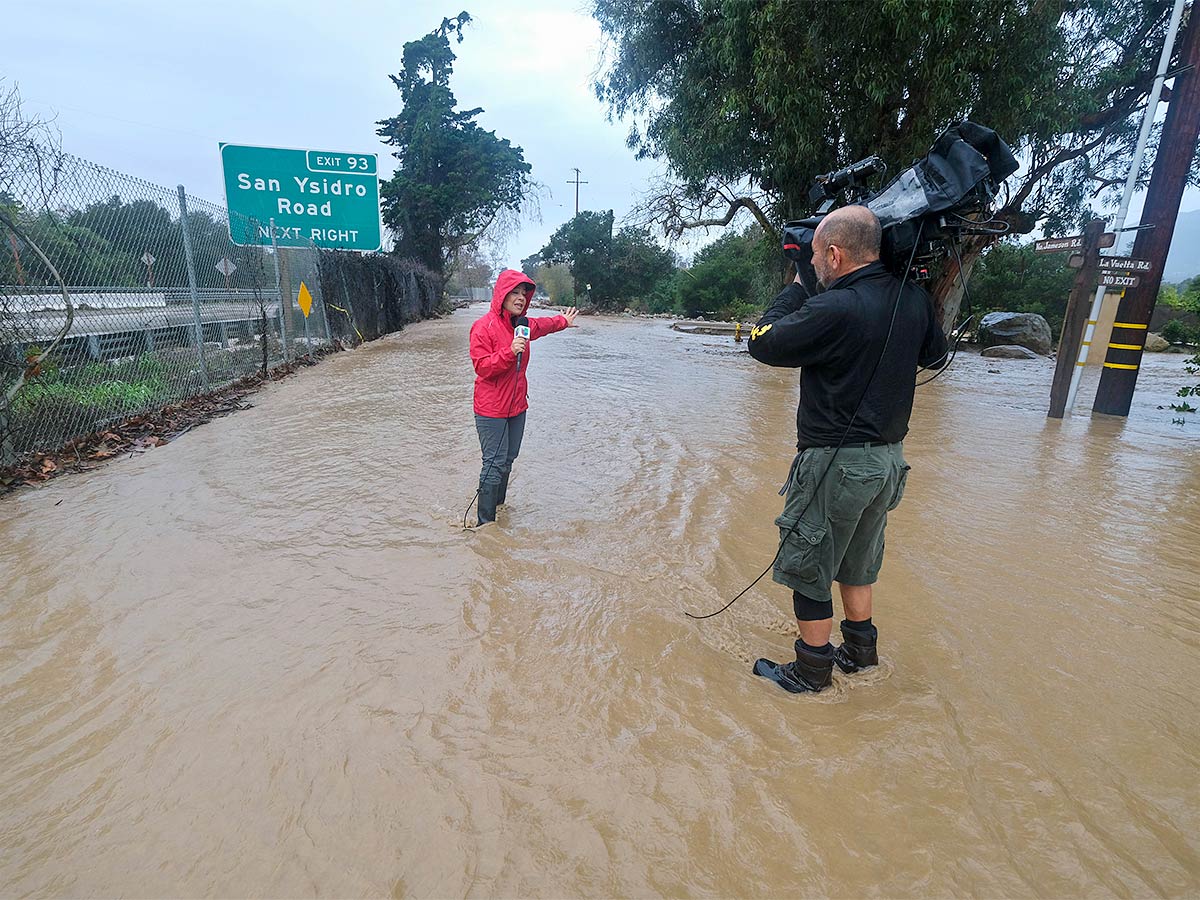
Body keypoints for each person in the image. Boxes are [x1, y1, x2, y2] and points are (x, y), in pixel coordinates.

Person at [746, 205, 947, 694]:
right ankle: (859, 653)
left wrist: (796, 285)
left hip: (835, 462)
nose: (814, 265)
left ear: (834, 254)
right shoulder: (913, 299)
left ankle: (811, 670)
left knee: (808, 566)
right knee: (858, 561)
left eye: (815, 257)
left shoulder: (833, 307)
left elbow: (762, 342)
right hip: (887, 462)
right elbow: (936, 355)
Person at [468, 269, 577, 527]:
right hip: (490, 409)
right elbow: (482, 367)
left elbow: (544, 325)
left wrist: (563, 321)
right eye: (514, 292)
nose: (520, 298)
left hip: (517, 406)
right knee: (493, 463)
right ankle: (486, 526)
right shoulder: (483, 327)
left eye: (524, 293)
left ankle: (498, 508)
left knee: (508, 459)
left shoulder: (523, 325)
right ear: (502, 295)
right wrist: (508, 352)